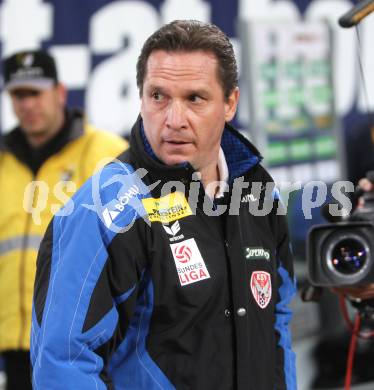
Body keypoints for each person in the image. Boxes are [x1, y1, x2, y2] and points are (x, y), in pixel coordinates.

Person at [31, 21, 297, 389]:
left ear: (230, 103)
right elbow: (62, 363)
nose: (174, 120)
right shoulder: (104, 209)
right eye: (159, 96)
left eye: (194, 99)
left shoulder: (257, 189)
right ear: (140, 97)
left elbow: (277, 322)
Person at [0, 49, 128, 390]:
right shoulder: (3, 162)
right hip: (15, 346)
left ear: (59, 92)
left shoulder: (106, 152)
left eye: (35, 93)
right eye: (18, 95)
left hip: (86, 344)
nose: (27, 105)